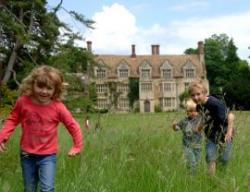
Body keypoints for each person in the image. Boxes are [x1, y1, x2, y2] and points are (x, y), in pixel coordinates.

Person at [0, 65, 83, 192]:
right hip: (27, 154)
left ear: (55, 90)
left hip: (48, 156)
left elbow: (72, 125)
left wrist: (77, 146)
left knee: (47, 188)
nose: (44, 91)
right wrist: (2, 137)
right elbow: (12, 119)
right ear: (32, 85)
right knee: (29, 188)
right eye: (40, 86)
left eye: (49, 88)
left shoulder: (58, 107)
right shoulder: (23, 102)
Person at [188, 80, 235, 176]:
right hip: (211, 136)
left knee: (224, 159)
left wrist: (229, 132)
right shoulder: (199, 106)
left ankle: (221, 175)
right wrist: (199, 128)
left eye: (198, 94)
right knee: (210, 157)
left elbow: (231, 116)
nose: (196, 97)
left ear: (205, 93)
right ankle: (211, 180)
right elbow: (204, 117)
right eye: (193, 95)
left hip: (225, 135)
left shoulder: (215, 104)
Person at [172, 99, 203, 175]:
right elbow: (177, 128)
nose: (193, 113)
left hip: (198, 146)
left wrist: (201, 127)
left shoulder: (199, 120)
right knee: (192, 162)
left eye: (195, 111)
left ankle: (191, 172)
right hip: (187, 145)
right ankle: (192, 177)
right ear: (187, 112)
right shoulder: (184, 121)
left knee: (197, 162)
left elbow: (202, 129)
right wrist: (174, 126)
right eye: (191, 111)